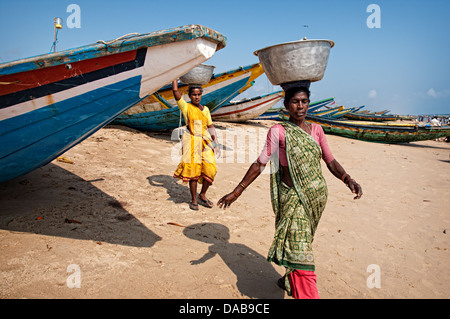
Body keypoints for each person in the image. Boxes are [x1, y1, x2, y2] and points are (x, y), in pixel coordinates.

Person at [217, 85, 363, 299]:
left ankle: (288, 278)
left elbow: (330, 161)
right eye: (295, 101)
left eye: (304, 101)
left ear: (308, 103)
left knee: (300, 243)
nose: (300, 106)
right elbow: (260, 164)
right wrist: (237, 192)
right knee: (300, 250)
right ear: (286, 105)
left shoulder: (317, 131)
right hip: (291, 198)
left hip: (315, 198)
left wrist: (348, 179)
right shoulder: (278, 131)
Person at [172, 80, 220, 210]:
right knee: (193, 170)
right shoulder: (186, 107)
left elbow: (210, 126)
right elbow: (176, 92)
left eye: (198, 94)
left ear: (201, 95)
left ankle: (202, 194)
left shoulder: (206, 110)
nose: (196, 97)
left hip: (205, 140)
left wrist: (216, 143)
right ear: (189, 96)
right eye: (193, 94)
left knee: (211, 169)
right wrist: (175, 76)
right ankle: (194, 199)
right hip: (191, 139)